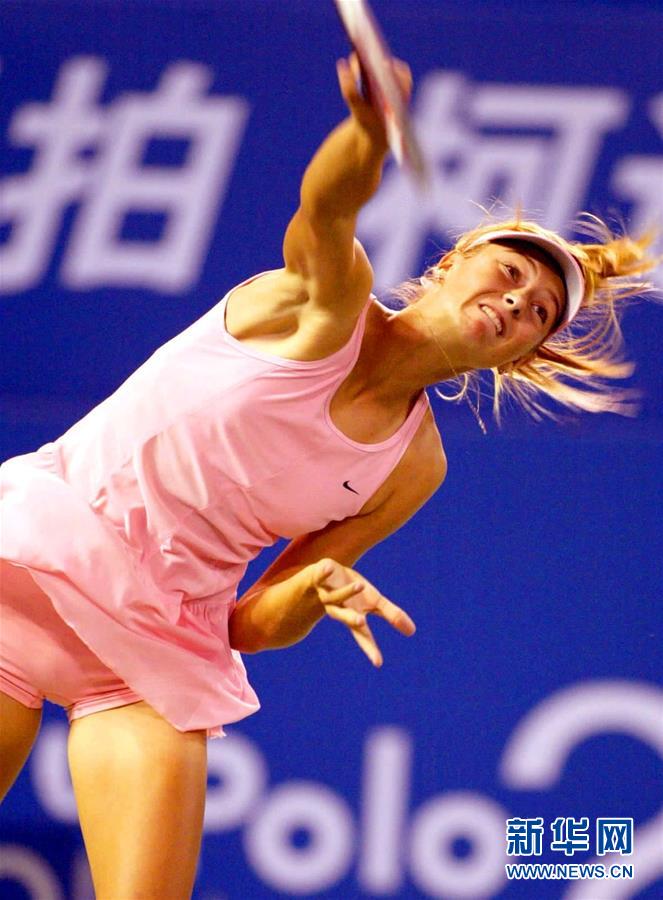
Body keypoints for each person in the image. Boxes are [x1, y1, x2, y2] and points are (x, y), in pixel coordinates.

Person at [0, 53, 657, 899]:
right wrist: (369, 133)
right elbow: (328, 205)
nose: (515, 303)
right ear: (450, 263)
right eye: (508, 273)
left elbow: (248, 627)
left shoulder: (414, 466)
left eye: (537, 314)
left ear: (521, 355)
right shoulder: (322, 303)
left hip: (149, 656)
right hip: (26, 562)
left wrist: (313, 590)